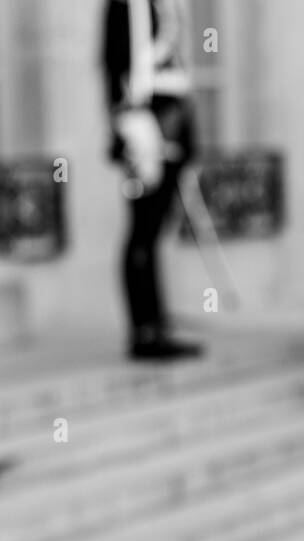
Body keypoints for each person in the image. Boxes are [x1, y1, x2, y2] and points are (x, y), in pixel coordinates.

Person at [103, 0, 203, 361]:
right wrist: (127, 122)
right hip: (143, 122)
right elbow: (113, 63)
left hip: (173, 119)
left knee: (156, 226)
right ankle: (143, 329)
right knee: (142, 227)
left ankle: (157, 321)